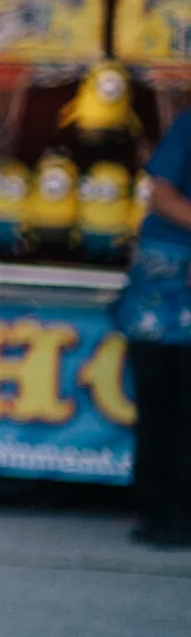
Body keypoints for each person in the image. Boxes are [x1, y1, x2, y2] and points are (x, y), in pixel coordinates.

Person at [117, 105, 191, 547]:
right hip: (163, 284)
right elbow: (160, 194)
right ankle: (156, 513)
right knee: (159, 400)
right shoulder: (188, 125)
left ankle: (177, 515)